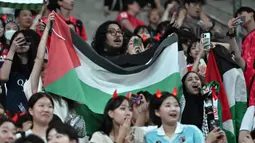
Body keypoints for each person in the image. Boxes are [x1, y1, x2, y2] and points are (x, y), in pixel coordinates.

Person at [227, 6, 255, 143]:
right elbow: (240, 61)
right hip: (250, 90)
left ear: (251, 14)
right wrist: (231, 33)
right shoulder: (245, 40)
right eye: (236, 15)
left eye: (241, 14)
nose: (239, 17)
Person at [0, 29, 40, 114]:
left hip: (33, 110)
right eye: (18, 41)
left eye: (24, 40)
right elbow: (3, 77)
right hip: (13, 112)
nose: (21, 44)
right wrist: (12, 49)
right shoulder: (6, 64)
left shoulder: (37, 65)